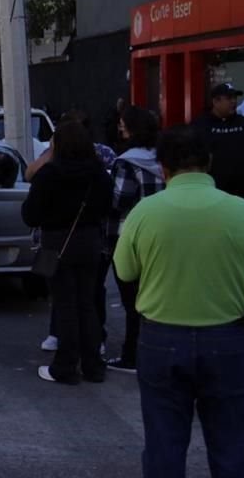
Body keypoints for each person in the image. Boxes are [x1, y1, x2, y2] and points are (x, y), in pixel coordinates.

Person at [113, 125, 244, 478]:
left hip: (161, 339)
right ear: (208, 163)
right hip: (228, 341)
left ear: (164, 168)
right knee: (232, 447)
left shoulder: (145, 213)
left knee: (164, 445)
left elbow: (125, 271)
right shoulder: (240, 210)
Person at [22, 121, 112, 384]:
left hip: (57, 243)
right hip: (90, 241)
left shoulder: (50, 174)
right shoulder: (98, 173)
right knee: (88, 303)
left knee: (65, 305)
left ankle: (66, 366)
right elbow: (107, 206)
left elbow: (30, 215)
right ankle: (93, 365)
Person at [104, 106, 165, 373]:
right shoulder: (163, 159)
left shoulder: (126, 162)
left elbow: (118, 200)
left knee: (132, 300)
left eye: (123, 124)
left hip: (130, 235)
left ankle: (132, 355)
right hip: (163, 233)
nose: (120, 128)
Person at [192, 82, 244, 201]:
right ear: (215, 101)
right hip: (212, 191)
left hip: (243, 191)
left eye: (235, 98)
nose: (233, 101)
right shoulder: (200, 125)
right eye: (229, 98)